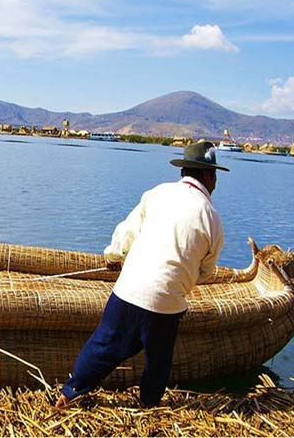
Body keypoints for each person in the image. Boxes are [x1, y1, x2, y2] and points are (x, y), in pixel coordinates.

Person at [55, 141, 229, 409]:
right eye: (215, 175)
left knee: (104, 345)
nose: (215, 182)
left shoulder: (157, 194)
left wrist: (113, 257)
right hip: (166, 305)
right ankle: (148, 404)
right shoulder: (212, 219)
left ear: (184, 170)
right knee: (159, 360)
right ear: (208, 176)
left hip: (128, 290)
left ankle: (71, 391)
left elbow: (127, 232)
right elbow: (205, 272)